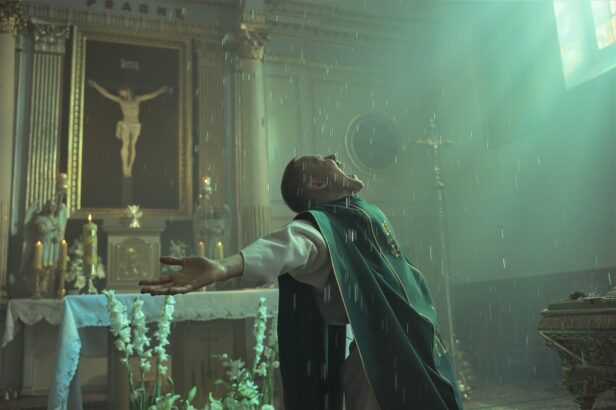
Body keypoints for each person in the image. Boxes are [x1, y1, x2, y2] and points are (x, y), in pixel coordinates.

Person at [140, 154, 464, 410]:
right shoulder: (323, 227)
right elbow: (286, 246)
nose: (334, 156)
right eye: (322, 158)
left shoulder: (356, 214)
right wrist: (223, 266)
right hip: (381, 362)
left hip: (415, 345)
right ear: (317, 183)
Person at [87, 80, 169, 177]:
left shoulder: (137, 99)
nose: (121, 95)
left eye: (122, 92)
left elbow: (150, 95)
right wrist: (95, 85)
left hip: (135, 125)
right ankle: (124, 166)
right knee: (125, 143)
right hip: (125, 123)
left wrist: (160, 91)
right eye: (120, 94)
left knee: (132, 145)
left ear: (128, 91)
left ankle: (130, 167)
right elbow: (107, 94)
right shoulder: (121, 101)